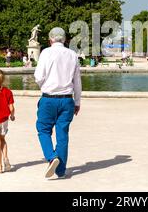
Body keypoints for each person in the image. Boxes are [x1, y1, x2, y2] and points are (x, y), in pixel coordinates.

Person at [34, 27, 82, 180]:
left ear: (50, 39)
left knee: (43, 130)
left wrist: (45, 87)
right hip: (67, 99)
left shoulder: (46, 52)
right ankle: (60, 171)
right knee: (62, 134)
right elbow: (77, 82)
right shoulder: (72, 54)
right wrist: (77, 101)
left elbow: (38, 76)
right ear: (65, 40)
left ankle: (51, 156)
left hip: (49, 98)